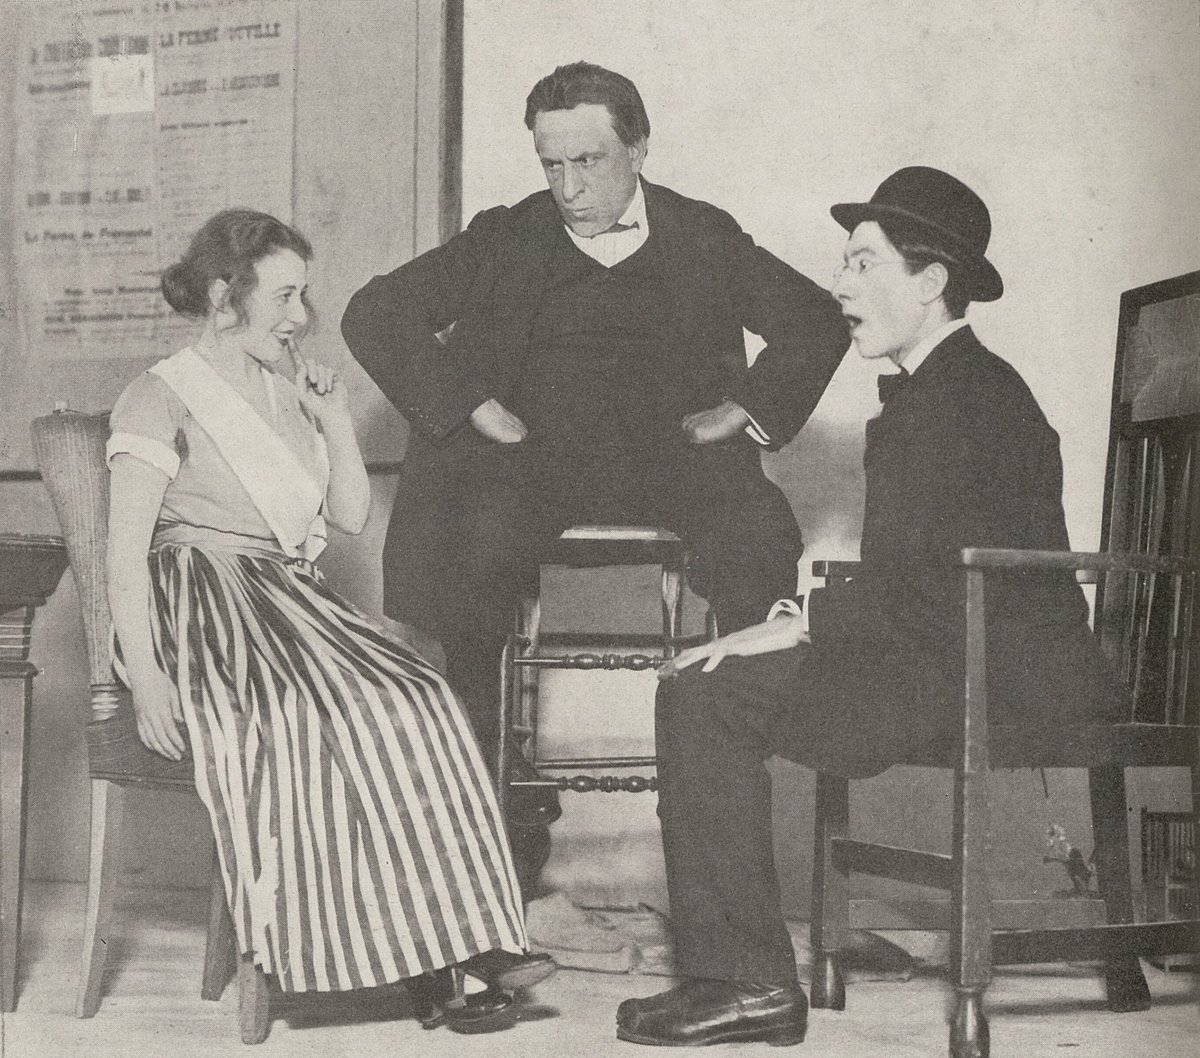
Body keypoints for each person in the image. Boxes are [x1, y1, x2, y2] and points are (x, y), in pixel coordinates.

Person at [614, 167, 1126, 1047]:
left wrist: (793, 624)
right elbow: (913, 588)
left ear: (930, 283)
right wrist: (787, 623)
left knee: (711, 691)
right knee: (705, 683)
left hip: (1001, 675)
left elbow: (941, 594)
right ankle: (742, 978)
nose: (841, 286)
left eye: (862, 264)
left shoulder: (968, 402)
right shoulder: (938, 393)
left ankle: (749, 985)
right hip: (941, 652)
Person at [340, 62, 849, 874]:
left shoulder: (703, 234)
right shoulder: (507, 236)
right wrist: (471, 402)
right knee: (473, 543)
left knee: (757, 534)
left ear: (639, 149)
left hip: (672, 460)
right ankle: (486, 816)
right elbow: (375, 311)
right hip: (536, 461)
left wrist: (743, 411)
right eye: (552, 165)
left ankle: (717, 808)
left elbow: (816, 318)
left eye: (590, 162)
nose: (569, 188)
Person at [105, 209, 556, 1035]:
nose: (300, 318)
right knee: (304, 717)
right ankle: (410, 966)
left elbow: (348, 515)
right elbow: (122, 552)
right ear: (222, 296)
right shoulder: (158, 394)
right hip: (203, 604)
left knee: (416, 695)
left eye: (303, 296)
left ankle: (454, 946)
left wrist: (335, 419)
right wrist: (147, 679)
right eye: (283, 297)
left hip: (289, 602)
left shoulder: (287, 392)